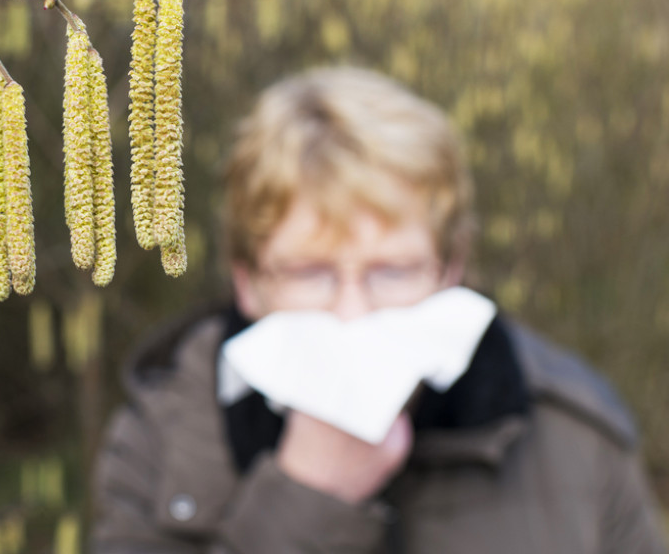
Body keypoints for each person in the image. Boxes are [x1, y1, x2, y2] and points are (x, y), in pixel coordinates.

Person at [90, 68, 667, 553]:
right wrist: (305, 498)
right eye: (310, 273)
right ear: (248, 282)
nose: (353, 314)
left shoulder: (575, 435)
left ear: (450, 269)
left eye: (391, 272)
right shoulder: (161, 439)